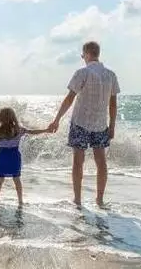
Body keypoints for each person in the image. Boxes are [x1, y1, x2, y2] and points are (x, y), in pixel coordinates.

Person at [48, 41, 120, 207]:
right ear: (98, 54)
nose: (83, 58)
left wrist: (57, 119)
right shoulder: (111, 75)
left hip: (80, 122)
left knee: (78, 162)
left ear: (87, 54)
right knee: (101, 162)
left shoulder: (82, 72)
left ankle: (78, 199)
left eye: (83, 55)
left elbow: (69, 99)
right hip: (101, 124)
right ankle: (99, 200)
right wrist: (112, 126)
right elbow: (113, 104)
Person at [0, 107, 50, 206]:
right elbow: (33, 132)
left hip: (3, 156)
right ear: (13, 117)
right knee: (16, 180)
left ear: (0, 118)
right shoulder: (18, 130)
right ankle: (20, 201)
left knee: (0, 180)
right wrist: (46, 130)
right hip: (14, 157)